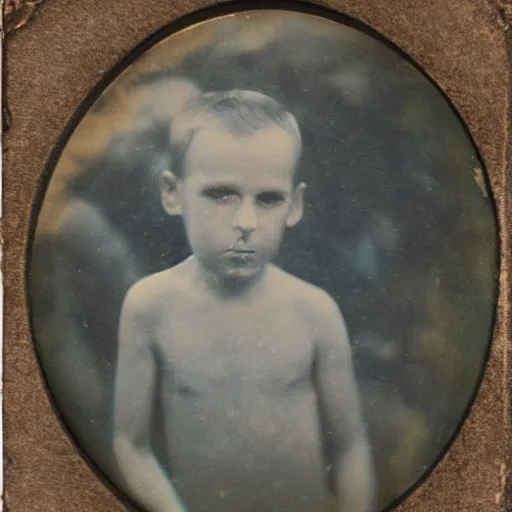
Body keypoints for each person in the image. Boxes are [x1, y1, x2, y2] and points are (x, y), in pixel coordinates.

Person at [113, 89, 375, 512]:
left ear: (295, 204)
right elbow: (130, 443)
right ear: (172, 193)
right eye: (221, 194)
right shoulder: (149, 306)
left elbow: (351, 446)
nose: (246, 223)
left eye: (268, 198)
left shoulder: (314, 311)